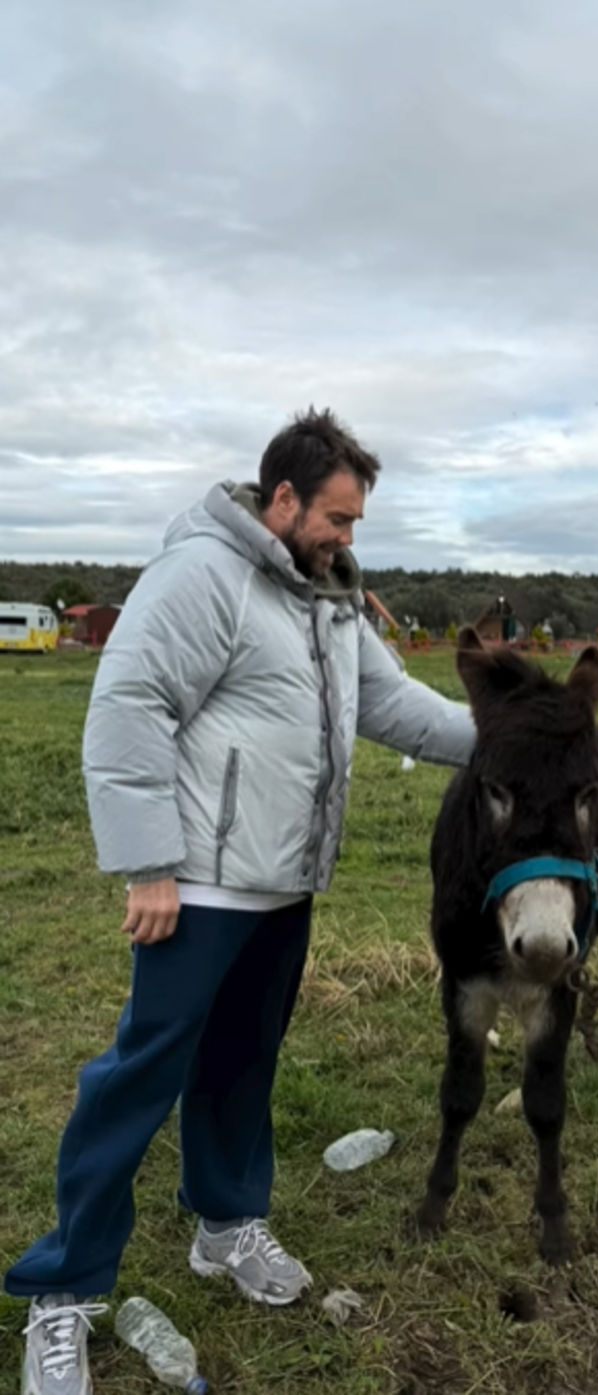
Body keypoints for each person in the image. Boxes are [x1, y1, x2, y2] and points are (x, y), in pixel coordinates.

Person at [6, 407, 475, 1395]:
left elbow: (390, 705)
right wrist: (148, 867)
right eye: (339, 517)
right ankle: (66, 1292)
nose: (349, 537)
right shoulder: (203, 575)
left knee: (241, 1064)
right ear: (284, 498)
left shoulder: (332, 599)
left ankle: (225, 1227)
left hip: (284, 882)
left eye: (357, 523)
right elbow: (129, 705)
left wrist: (516, 734)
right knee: (137, 1078)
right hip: (199, 885)